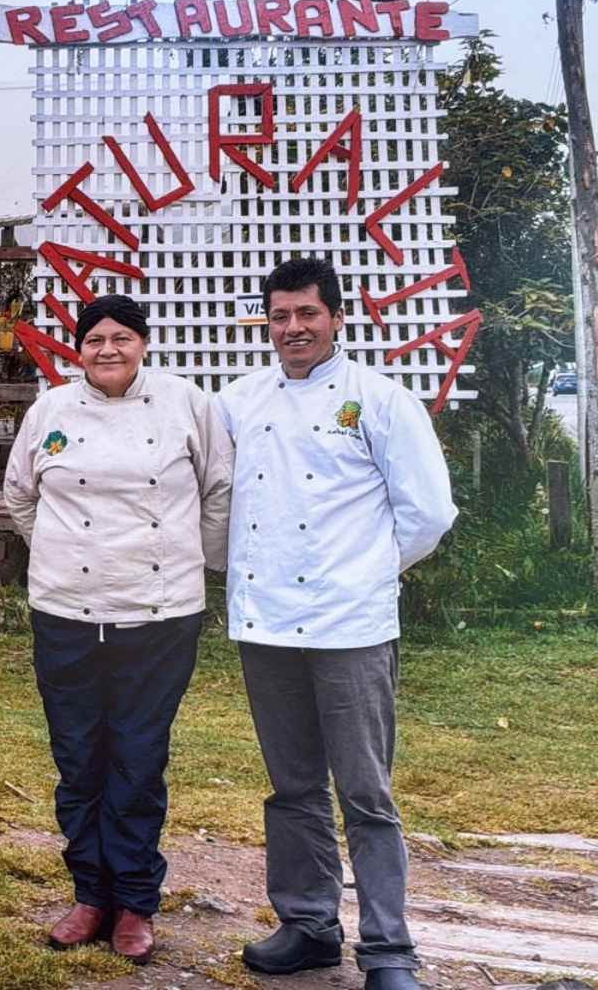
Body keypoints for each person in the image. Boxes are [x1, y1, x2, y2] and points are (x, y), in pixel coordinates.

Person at [217, 257, 457, 990]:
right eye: (281, 315)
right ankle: (309, 925)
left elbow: (428, 514)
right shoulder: (238, 400)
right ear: (267, 321)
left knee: (365, 792)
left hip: (351, 626)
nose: (293, 329)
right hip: (266, 623)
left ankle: (388, 950)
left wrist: (364, 575)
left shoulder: (380, 400)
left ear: (337, 319)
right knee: (292, 787)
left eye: (307, 315)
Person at [0, 293, 232, 963]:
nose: (107, 348)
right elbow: (20, 495)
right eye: (94, 338)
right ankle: (89, 893)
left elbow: (217, 491)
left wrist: (193, 565)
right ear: (78, 348)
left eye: (121, 337)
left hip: (158, 613)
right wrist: (61, 554)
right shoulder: (51, 410)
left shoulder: (187, 404)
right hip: (66, 611)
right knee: (77, 756)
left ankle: (134, 901)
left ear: (143, 343)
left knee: (137, 757)